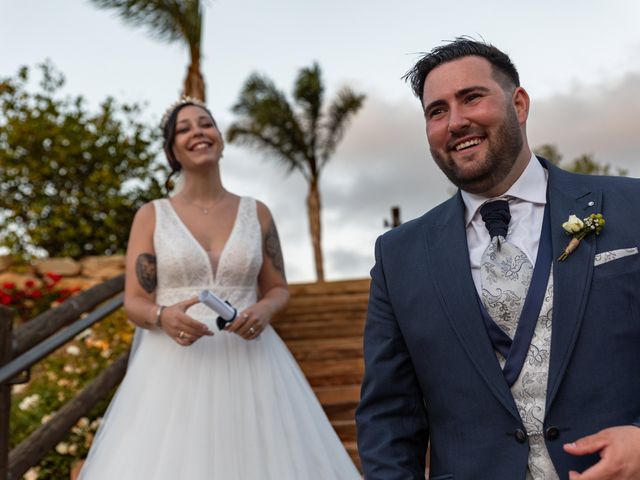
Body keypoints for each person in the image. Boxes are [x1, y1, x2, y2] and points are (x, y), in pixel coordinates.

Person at [356, 38, 640, 480]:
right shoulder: (398, 256)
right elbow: (388, 418)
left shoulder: (632, 208)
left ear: (519, 104)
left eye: (471, 98)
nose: (455, 121)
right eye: (437, 111)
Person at [79, 98, 360, 479]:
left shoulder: (256, 212)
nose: (197, 131)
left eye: (205, 123)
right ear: (172, 150)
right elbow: (134, 301)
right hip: (173, 368)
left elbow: (277, 288)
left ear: (221, 139)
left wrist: (263, 310)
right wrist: (163, 316)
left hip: (254, 363)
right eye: (184, 128)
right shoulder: (152, 216)